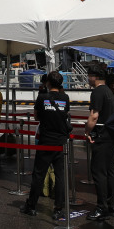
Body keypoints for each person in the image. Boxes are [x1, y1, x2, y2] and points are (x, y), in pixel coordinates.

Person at [21, 70, 71, 219]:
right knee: (60, 175)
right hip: (60, 141)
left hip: (46, 140)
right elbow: (66, 114)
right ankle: (58, 208)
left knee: (38, 174)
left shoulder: (42, 97)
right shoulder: (65, 98)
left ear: (48, 83)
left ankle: (32, 205)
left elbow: (37, 116)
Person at [83, 61, 114, 221]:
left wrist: (87, 131)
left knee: (98, 172)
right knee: (110, 171)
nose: (88, 79)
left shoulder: (97, 92)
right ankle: (112, 205)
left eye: (89, 76)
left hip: (101, 136)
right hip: (111, 136)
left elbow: (94, 115)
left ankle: (101, 206)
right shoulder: (109, 92)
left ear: (94, 77)